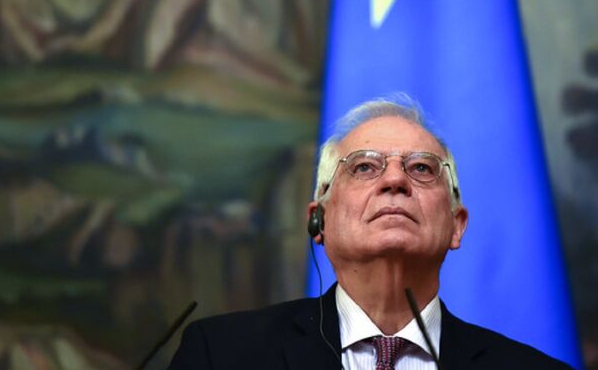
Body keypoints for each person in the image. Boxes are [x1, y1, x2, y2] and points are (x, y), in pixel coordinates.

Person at [168, 96, 573, 369]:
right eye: (364, 167)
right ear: (319, 221)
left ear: (457, 225)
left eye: (421, 168)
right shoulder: (220, 355)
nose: (395, 180)